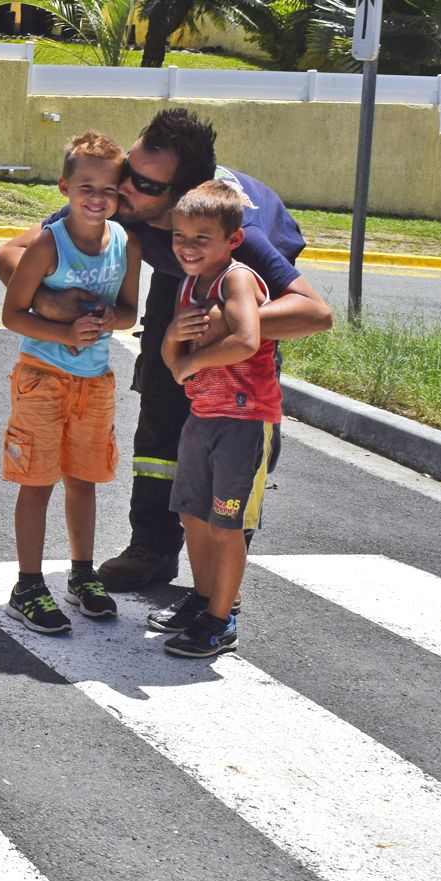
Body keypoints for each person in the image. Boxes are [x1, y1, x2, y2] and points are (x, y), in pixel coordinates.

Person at [0, 109, 333, 592]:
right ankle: (151, 547)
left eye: (145, 186)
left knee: (232, 418)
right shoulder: (121, 204)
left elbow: (313, 312)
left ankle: (217, 587)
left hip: (235, 292)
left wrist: (225, 320)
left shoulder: (236, 236)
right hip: (179, 279)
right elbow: (9, 253)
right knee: (159, 406)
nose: (122, 190)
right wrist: (48, 302)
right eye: (128, 171)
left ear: (179, 198)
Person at [0, 131, 143, 633]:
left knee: (84, 479)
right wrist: (63, 330)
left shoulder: (126, 243)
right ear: (64, 186)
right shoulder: (48, 243)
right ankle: (29, 584)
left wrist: (110, 319)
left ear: (120, 194)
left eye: (108, 189)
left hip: (95, 381)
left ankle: (82, 574)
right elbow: (13, 314)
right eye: (86, 186)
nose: (97, 197)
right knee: (37, 481)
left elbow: (129, 311)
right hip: (43, 377)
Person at [151, 181, 283, 658]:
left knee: (226, 524)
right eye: (179, 235)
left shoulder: (237, 279)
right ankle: (203, 599)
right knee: (193, 515)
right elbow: (174, 357)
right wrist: (171, 337)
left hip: (243, 422)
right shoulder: (190, 284)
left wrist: (190, 364)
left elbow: (247, 340)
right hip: (203, 416)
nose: (187, 246)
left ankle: (220, 621)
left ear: (232, 240)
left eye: (201, 237)